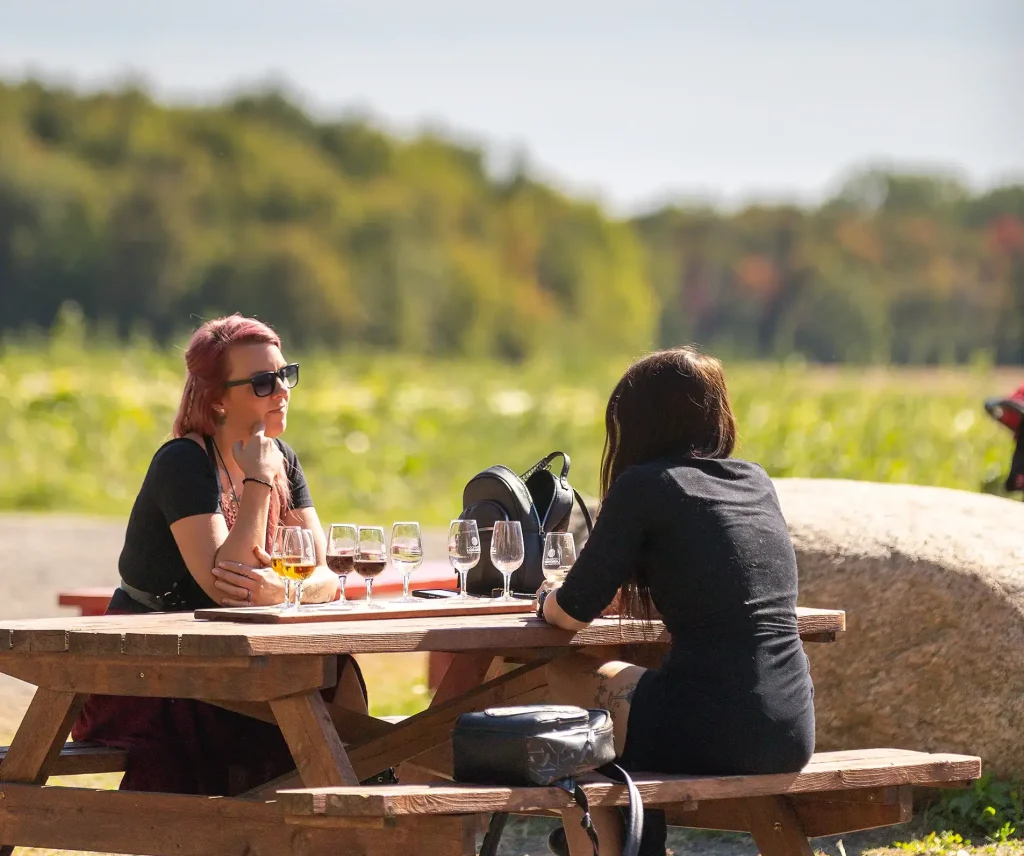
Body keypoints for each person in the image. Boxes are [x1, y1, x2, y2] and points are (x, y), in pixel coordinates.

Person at [537, 346, 815, 856]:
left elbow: (571, 612)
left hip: (714, 726)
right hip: (791, 727)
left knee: (566, 686)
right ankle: (635, 840)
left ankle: (602, 846)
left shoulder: (644, 485)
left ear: (635, 422)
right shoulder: (754, 481)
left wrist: (544, 599)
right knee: (631, 690)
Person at [72, 314, 367, 794]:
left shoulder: (282, 458)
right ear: (217, 399)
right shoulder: (183, 462)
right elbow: (225, 584)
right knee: (278, 700)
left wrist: (286, 589)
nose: (281, 391)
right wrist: (256, 482)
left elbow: (328, 572)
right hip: (152, 670)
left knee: (336, 670)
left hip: (230, 663)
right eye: (262, 382)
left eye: (284, 375)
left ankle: (358, 795)